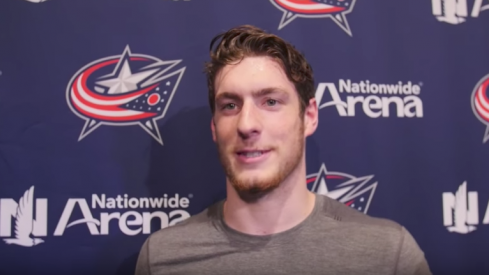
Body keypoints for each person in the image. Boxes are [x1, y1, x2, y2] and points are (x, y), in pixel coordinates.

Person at [134, 25, 432, 275]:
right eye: (230, 105)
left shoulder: (388, 255)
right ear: (214, 127)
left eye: (271, 102)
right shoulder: (162, 258)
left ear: (309, 116)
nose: (247, 124)